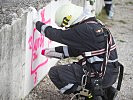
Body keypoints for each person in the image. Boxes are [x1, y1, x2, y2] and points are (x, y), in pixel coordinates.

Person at [34, 0, 122, 99]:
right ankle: (104, 91)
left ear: (70, 19)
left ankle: (89, 94)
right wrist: (55, 52)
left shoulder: (84, 30)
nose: (68, 29)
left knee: (55, 73)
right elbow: (75, 50)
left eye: (68, 26)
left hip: (101, 76)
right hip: (110, 73)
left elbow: (57, 35)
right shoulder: (94, 24)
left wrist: (36, 22)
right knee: (78, 66)